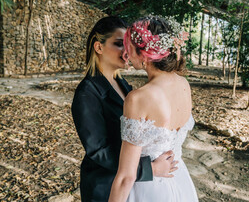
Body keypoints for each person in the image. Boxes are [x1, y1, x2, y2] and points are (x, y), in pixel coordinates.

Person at [71, 16, 178, 202]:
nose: (126, 50)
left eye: (127, 44)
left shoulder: (122, 83)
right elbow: (99, 150)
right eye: (120, 43)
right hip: (105, 186)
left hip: (129, 185)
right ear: (99, 47)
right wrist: (149, 169)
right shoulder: (86, 92)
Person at [109, 16, 199, 202]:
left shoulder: (138, 98)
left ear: (145, 53)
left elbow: (126, 176)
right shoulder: (183, 84)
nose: (126, 53)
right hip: (179, 179)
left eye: (129, 47)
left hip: (149, 190)